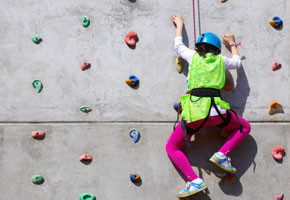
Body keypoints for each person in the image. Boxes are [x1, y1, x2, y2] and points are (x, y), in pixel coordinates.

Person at [165, 14, 251, 198]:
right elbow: (236, 62)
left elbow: (178, 46)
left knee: (172, 147)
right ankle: (222, 154)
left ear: (198, 47)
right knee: (244, 126)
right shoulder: (221, 61)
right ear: (217, 50)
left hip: (195, 114)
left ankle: (194, 180)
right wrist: (232, 43)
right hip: (217, 112)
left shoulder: (192, 56)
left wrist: (179, 24)